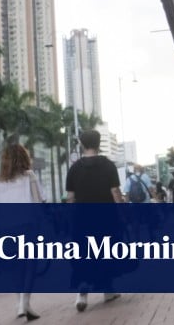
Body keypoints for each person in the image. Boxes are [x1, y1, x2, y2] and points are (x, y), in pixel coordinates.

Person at [64, 130, 122, 312]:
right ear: (99, 143)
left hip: (82, 217)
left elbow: (70, 197)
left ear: (82, 144)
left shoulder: (74, 168)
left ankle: (82, 292)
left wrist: (70, 218)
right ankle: (107, 290)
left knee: (84, 252)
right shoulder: (108, 165)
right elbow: (115, 192)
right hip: (106, 216)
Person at [0, 143, 46, 321]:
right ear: (23, 158)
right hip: (28, 226)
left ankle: (20, 303)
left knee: (15, 267)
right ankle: (24, 302)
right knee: (30, 265)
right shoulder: (29, 176)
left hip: (6, 229)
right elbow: (40, 201)